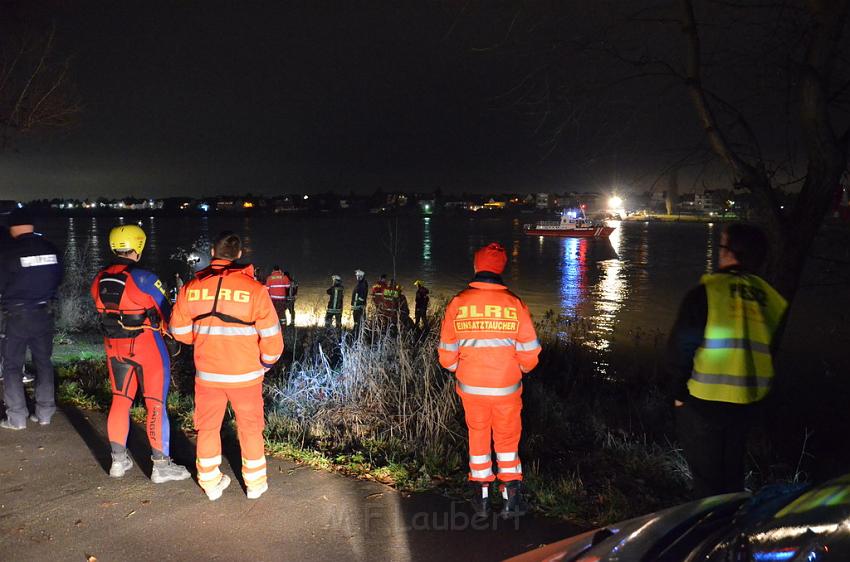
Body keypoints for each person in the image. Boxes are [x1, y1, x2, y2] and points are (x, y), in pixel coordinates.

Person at [667, 223, 788, 499]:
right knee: (732, 472)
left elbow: (682, 346)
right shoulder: (769, 297)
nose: (719, 252)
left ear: (732, 252)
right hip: (748, 400)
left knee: (707, 480)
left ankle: (710, 533)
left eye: (721, 246)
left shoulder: (708, 292)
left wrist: (677, 393)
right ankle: (734, 526)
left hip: (704, 399)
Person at [170, 232, 283, 501]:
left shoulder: (192, 287)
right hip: (246, 375)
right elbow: (272, 339)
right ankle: (255, 484)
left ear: (212, 251)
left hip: (208, 374)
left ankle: (210, 482)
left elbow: (180, 332)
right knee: (250, 427)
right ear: (240, 254)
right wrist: (266, 363)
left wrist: (205, 337)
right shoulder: (255, 290)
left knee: (207, 427)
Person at [438, 242, 541, 518]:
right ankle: (511, 500)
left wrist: (460, 368)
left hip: (471, 389)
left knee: (478, 436)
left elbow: (447, 356)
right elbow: (530, 353)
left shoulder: (459, 303)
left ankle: (481, 498)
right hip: (507, 389)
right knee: (507, 440)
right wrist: (519, 368)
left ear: (476, 266)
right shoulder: (515, 304)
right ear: (501, 269)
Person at [90, 224, 190, 482]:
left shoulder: (98, 279)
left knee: (120, 400)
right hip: (147, 348)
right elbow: (168, 312)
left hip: (114, 348)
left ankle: (118, 462)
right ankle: (161, 466)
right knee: (155, 404)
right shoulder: (144, 278)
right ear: (139, 245)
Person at [0, 208, 63, 430]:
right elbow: (59, 277)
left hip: (17, 316)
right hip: (44, 313)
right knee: (44, 362)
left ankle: (16, 417)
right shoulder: (49, 248)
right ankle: (45, 413)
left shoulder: (9, 252)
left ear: (12, 227)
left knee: (12, 366)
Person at [351, 270, 368, 335]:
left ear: (361, 276)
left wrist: (357, 302)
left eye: (358, 276)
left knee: (358, 321)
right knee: (357, 321)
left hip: (359, 306)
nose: (357, 277)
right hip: (357, 306)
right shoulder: (360, 284)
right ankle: (356, 331)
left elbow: (362, 296)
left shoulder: (363, 284)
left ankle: (357, 333)